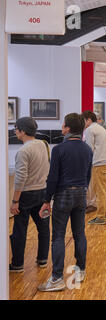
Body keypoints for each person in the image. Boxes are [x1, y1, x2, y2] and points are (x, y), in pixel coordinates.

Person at [38, 113, 93, 292]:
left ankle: (57, 278)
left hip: (62, 195)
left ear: (67, 128)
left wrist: (46, 200)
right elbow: (88, 176)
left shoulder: (59, 149)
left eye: (63, 125)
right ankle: (81, 270)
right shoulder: (87, 149)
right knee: (79, 234)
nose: (61, 127)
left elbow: (52, 178)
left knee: (58, 237)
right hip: (81, 194)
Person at [9, 117, 50, 273]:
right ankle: (43, 259)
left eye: (16, 129)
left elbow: (20, 178)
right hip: (43, 192)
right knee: (44, 228)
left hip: (26, 195)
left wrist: (15, 201)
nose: (14, 131)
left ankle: (17, 264)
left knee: (20, 230)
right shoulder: (44, 145)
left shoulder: (23, 151)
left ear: (23, 131)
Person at [82, 111, 106, 225]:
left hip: (99, 163)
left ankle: (101, 217)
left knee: (100, 192)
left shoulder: (90, 129)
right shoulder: (100, 128)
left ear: (88, 120)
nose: (83, 123)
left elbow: (88, 149)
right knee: (105, 191)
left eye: (84, 120)